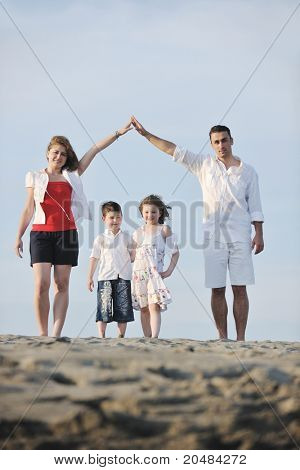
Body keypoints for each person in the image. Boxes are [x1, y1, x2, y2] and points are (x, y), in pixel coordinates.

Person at [131, 116, 264, 341]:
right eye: (216, 142)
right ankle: (223, 337)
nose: (221, 145)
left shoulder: (248, 172)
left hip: (241, 234)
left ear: (232, 141)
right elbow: (173, 150)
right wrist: (146, 135)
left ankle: (241, 339)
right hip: (213, 236)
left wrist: (258, 233)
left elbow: (256, 206)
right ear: (211, 145)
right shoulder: (204, 165)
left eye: (224, 140)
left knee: (240, 288)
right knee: (217, 288)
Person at [15, 123, 132, 337]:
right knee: (41, 284)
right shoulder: (34, 176)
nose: (58, 157)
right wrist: (18, 236)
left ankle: (56, 333)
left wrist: (118, 133)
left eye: (62, 154)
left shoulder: (72, 175)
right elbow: (28, 208)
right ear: (47, 154)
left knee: (61, 283)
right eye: (55, 152)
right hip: (40, 234)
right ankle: (42, 333)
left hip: (67, 234)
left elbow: (94, 149)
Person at [132, 194, 179, 338]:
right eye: (146, 212)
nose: (150, 215)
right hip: (139, 274)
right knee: (144, 307)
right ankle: (147, 337)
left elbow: (175, 252)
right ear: (142, 213)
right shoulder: (138, 232)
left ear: (160, 213)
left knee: (154, 305)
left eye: (153, 211)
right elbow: (132, 255)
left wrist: (169, 270)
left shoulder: (164, 229)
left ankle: (154, 337)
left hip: (154, 274)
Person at [88, 201, 135, 338]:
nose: (115, 221)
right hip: (105, 277)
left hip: (124, 277)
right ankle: (101, 335)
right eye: (111, 218)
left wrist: (133, 257)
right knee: (104, 308)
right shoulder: (100, 239)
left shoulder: (126, 237)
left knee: (123, 308)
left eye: (118, 217)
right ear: (104, 218)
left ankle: (121, 336)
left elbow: (133, 254)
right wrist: (89, 276)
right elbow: (94, 257)